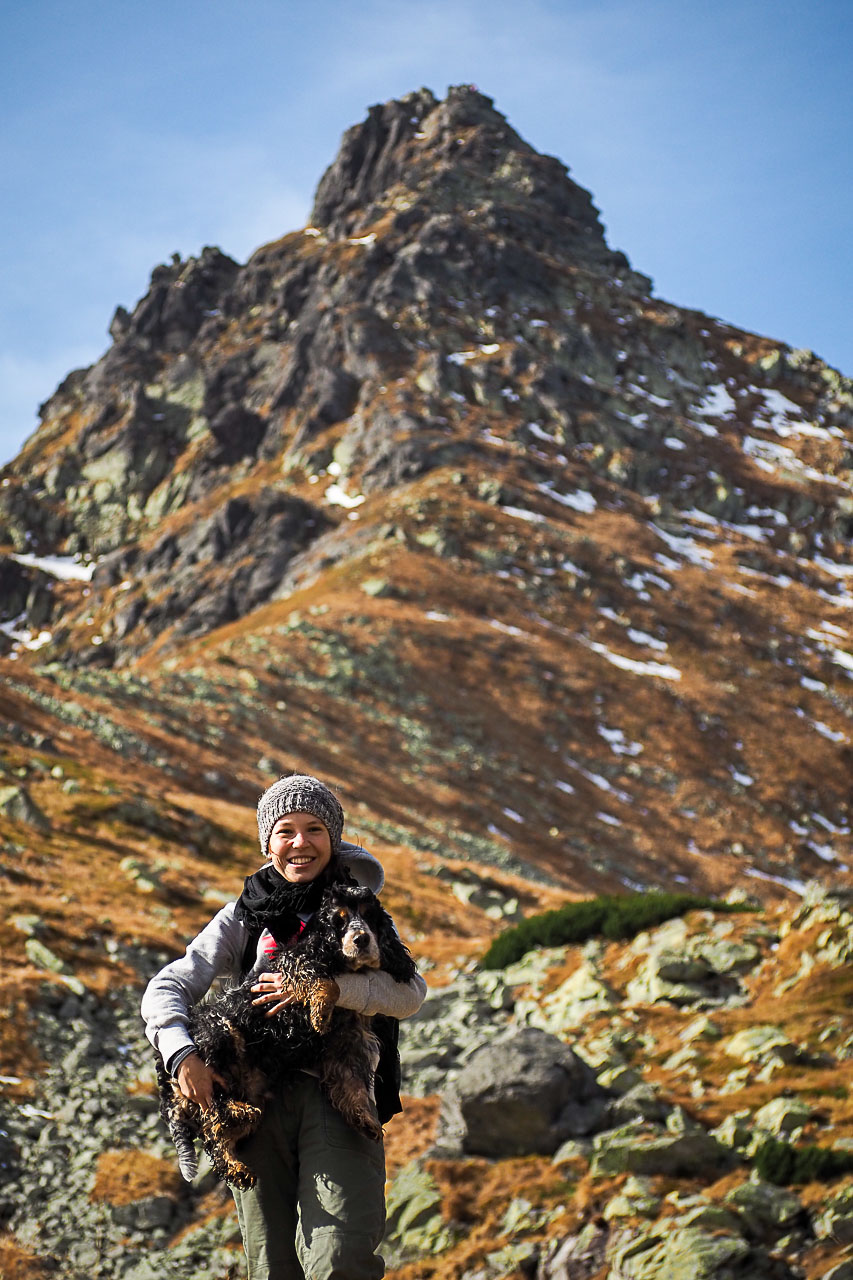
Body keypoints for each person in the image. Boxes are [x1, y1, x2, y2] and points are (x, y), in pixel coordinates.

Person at [141, 774, 427, 1280]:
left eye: (314, 829)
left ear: (333, 837)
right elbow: (167, 987)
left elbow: (409, 994)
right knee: (270, 1265)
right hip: (254, 1097)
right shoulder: (241, 918)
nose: (300, 844)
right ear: (267, 841)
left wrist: (338, 992)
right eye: (285, 831)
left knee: (343, 1258)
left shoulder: (361, 908)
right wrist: (181, 1055)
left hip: (340, 1096)